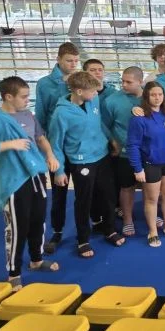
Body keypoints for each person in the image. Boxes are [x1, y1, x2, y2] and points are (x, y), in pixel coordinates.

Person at [0, 76, 60, 291]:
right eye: (23, 97)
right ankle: (14, 272)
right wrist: (7, 145)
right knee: (18, 227)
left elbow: (40, 138)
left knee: (38, 221)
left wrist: (50, 155)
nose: (27, 100)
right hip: (14, 181)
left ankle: (36, 259)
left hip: (36, 176)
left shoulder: (28, 115)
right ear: (8, 97)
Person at [47, 70, 123, 257]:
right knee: (84, 201)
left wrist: (110, 138)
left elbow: (98, 122)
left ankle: (109, 229)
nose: (96, 93)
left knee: (108, 195)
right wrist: (59, 171)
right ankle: (83, 239)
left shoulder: (93, 100)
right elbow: (55, 144)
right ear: (79, 91)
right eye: (93, 90)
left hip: (102, 155)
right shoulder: (61, 114)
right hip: (81, 161)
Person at [35, 41, 82, 253]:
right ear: (58, 59)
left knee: (83, 192)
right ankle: (57, 231)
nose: (73, 64)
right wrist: (47, 149)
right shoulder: (45, 84)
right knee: (59, 191)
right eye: (69, 60)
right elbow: (40, 116)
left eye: (76, 61)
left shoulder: (80, 80)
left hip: (78, 146)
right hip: (57, 147)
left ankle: (84, 230)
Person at [127, 81, 165, 247]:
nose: (157, 98)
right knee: (151, 199)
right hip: (151, 164)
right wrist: (138, 169)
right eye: (153, 95)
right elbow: (132, 145)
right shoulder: (139, 118)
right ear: (146, 97)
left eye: (160, 94)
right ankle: (153, 231)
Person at [101, 66, 143, 240]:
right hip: (125, 154)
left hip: (147, 153)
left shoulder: (150, 97)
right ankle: (127, 219)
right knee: (127, 187)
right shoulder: (112, 101)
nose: (123, 85)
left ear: (140, 82)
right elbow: (104, 125)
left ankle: (153, 213)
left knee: (150, 186)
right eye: (122, 81)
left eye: (128, 82)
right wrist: (113, 141)